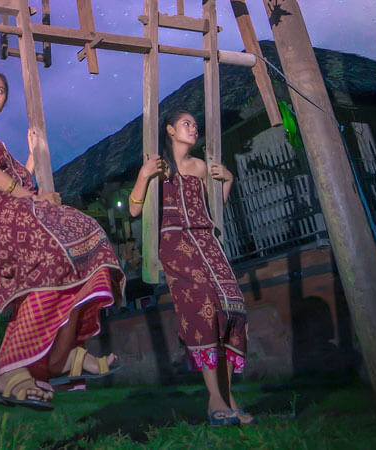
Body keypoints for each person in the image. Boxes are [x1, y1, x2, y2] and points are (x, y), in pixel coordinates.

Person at [0, 69, 125, 410]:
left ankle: (63, 357)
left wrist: (34, 154)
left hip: (11, 207)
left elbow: (18, 177)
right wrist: (33, 199)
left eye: (1, 91)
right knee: (54, 252)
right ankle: (12, 369)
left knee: (87, 237)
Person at [128, 109, 254, 426]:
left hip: (208, 242)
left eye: (196, 125)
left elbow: (214, 209)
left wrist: (228, 181)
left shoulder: (199, 167)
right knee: (202, 310)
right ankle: (215, 399)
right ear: (170, 130)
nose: (193, 129)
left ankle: (229, 398)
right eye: (187, 124)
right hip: (175, 244)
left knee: (232, 307)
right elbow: (133, 209)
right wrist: (143, 175)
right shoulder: (158, 167)